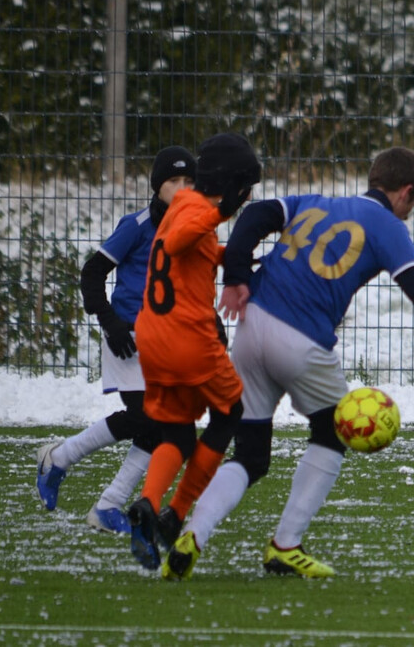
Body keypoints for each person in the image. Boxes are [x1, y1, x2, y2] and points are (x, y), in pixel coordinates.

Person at [159, 146, 414, 580]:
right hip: (300, 340)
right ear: (406, 191)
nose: (409, 213)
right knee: (333, 431)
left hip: (251, 327)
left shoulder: (319, 202)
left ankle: (193, 534)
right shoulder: (387, 225)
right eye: (413, 204)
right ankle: (285, 545)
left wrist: (236, 278)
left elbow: (256, 214)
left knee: (251, 455)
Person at [35, 146, 196, 534]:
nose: (181, 188)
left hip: (167, 343)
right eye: (173, 181)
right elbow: (92, 273)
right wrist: (111, 322)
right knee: (146, 417)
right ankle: (60, 457)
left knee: (160, 429)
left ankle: (107, 507)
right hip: (129, 338)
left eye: (189, 182)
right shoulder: (137, 226)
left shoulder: (192, 230)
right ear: (158, 186)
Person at [124, 131, 261, 571]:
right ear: (233, 185)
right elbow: (183, 239)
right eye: (247, 190)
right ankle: (176, 514)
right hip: (188, 338)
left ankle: (147, 504)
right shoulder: (201, 210)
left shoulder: (182, 202)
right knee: (230, 413)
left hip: (153, 336)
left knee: (178, 434)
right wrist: (222, 211)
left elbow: (188, 249)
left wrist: (234, 258)